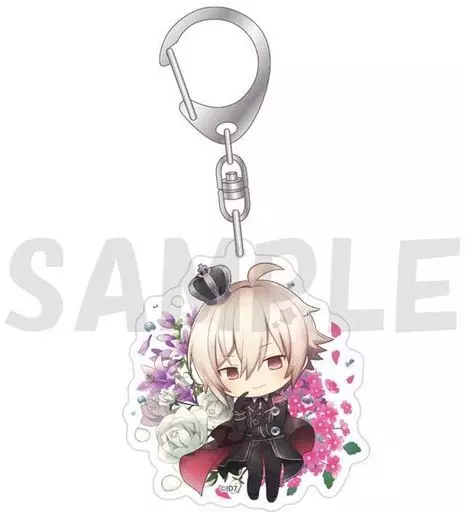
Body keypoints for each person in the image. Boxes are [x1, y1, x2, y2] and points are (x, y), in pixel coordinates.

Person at [180, 262, 332, 502]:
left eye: (273, 360)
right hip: (251, 444)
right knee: (254, 472)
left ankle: (270, 495)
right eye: (231, 371)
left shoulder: (278, 399)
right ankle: (255, 494)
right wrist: (240, 414)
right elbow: (239, 426)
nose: (255, 379)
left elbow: (282, 418)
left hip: (276, 441)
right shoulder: (242, 404)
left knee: (273, 470)